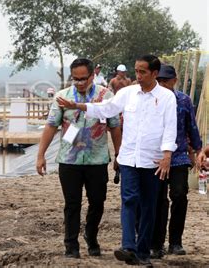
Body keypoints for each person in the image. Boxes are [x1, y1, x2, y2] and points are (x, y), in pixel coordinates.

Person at [56, 54, 177, 266]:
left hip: (153, 161)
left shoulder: (167, 97)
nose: (137, 76)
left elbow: (170, 128)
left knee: (149, 206)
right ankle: (128, 246)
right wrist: (79, 106)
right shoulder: (127, 93)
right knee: (129, 201)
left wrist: (167, 155)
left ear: (154, 73)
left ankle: (143, 253)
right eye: (136, 71)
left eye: (142, 72)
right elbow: (107, 108)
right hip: (129, 158)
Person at [36, 58, 122, 259]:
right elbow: (51, 126)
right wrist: (40, 155)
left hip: (97, 160)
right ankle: (71, 246)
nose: (80, 82)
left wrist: (119, 154)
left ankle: (91, 236)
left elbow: (115, 126)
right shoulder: (62, 97)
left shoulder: (105, 96)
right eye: (76, 79)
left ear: (93, 75)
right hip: (69, 160)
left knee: (97, 201)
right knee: (72, 203)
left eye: (84, 78)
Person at [149, 65, 202, 258]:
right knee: (158, 200)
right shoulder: (152, 99)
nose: (162, 84)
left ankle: (175, 242)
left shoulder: (184, 100)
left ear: (174, 81)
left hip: (178, 156)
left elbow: (191, 126)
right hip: (156, 157)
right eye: (159, 81)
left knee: (179, 195)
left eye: (166, 81)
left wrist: (197, 149)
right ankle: (156, 244)